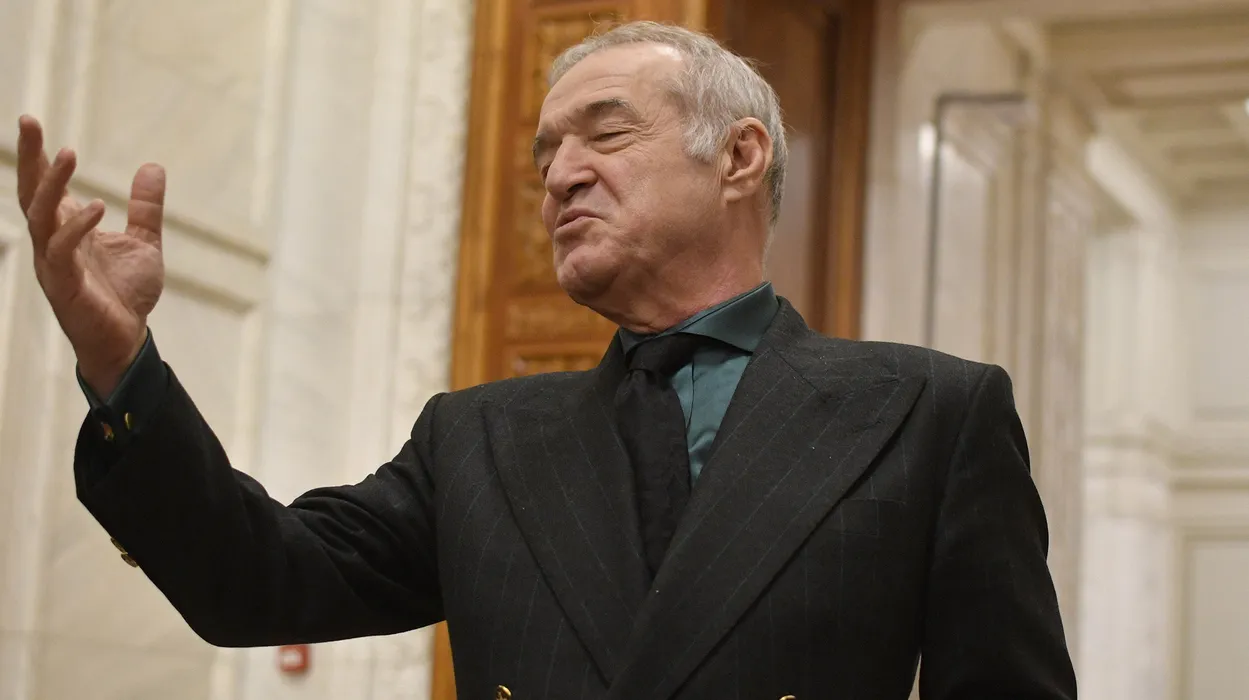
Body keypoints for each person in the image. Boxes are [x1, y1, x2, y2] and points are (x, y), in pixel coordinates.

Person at [16, 20, 1076, 700]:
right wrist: (121, 364)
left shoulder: (929, 412)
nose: (560, 175)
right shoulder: (478, 437)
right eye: (544, 157)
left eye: (602, 136)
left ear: (739, 156)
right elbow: (258, 581)